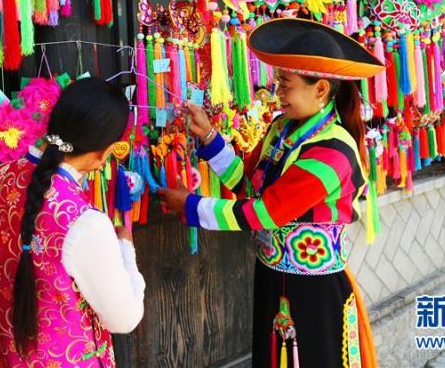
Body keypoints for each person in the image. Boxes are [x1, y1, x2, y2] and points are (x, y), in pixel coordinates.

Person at [161, 18, 382, 368]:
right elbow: (249, 187)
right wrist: (208, 138)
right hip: (273, 275)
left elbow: (268, 212)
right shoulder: (282, 130)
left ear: (321, 89)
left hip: (313, 290)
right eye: (278, 82)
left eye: (286, 84)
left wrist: (192, 207)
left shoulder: (333, 151)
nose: (277, 93)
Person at [0, 78, 145, 367]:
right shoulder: (85, 223)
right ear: (103, 153)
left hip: (1, 356)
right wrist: (126, 249)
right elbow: (124, 318)